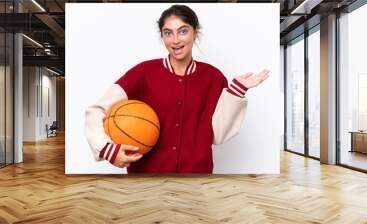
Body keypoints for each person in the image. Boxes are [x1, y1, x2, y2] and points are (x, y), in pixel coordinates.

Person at [85, 4, 269, 174]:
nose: (175, 40)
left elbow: (218, 135)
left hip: (197, 179)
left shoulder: (213, 77)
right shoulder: (142, 72)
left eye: (183, 31)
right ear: (162, 36)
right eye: (168, 33)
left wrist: (236, 92)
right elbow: (96, 110)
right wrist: (107, 149)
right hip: (146, 179)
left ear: (195, 33)